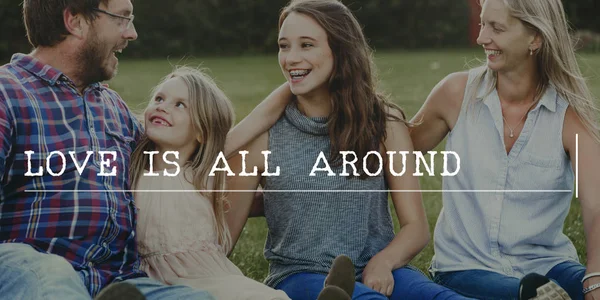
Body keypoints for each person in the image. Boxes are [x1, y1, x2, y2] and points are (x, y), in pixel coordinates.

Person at [1, 0, 273, 299]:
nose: (131, 33)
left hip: (117, 281)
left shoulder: (112, 107)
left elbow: (186, 157)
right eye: (122, 19)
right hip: (34, 270)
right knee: (52, 275)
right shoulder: (8, 93)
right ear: (75, 22)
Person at [224, 0, 476, 299]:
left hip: (382, 270)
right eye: (284, 46)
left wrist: (383, 262)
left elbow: (416, 228)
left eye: (306, 45)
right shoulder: (263, 137)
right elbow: (221, 240)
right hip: (301, 276)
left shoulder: (384, 125)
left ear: (341, 50)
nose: (291, 58)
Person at [409, 0, 600, 299]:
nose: (481, 37)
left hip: (549, 264)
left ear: (535, 38)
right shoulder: (455, 94)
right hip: (466, 267)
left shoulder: (571, 116)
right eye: (483, 24)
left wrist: (595, 277)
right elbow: (397, 153)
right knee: (528, 295)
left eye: (496, 28)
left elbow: (595, 205)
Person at [129, 66, 293, 300]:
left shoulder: (202, 173)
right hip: (152, 281)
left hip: (210, 278)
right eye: (159, 98)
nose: (162, 107)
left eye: (180, 105)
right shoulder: (132, 169)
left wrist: (296, 81)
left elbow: (261, 117)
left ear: (202, 133)